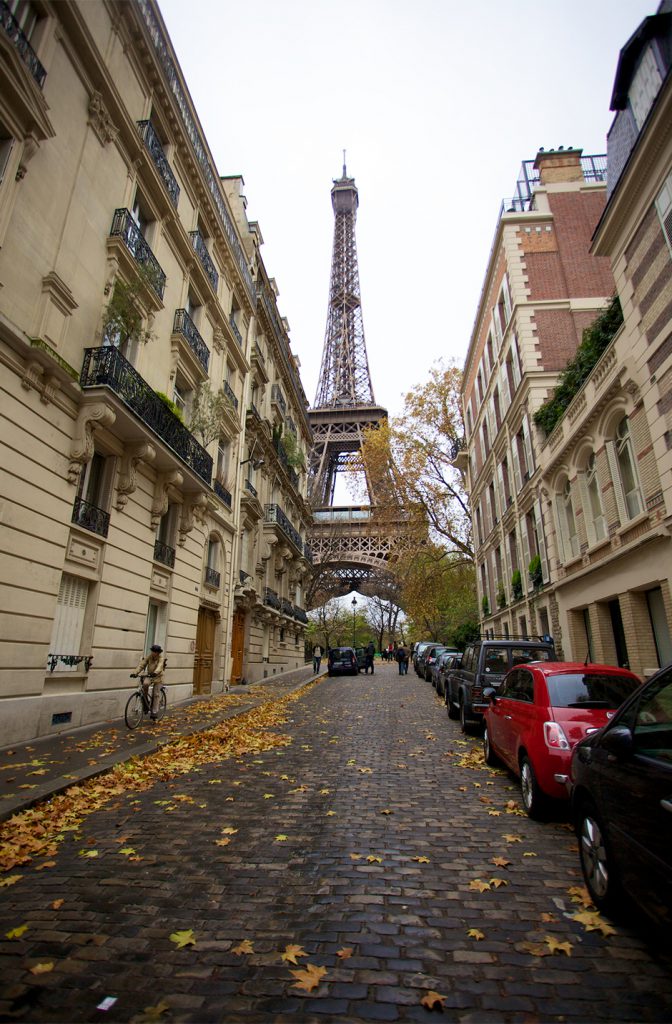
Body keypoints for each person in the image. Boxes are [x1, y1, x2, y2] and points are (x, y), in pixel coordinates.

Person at [131, 644, 167, 719]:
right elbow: (142, 665)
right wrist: (135, 673)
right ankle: (145, 702)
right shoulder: (149, 657)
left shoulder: (161, 658)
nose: (152, 653)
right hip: (150, 675)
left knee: (156, 693)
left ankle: (154, 712)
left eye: (154, 651)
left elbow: (160, 666)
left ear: (157, 653)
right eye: (152, 651)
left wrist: (155, 672)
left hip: (158, 676)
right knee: (145, 684)